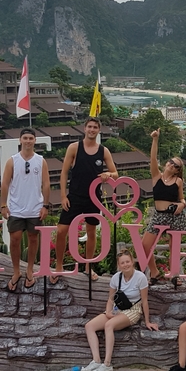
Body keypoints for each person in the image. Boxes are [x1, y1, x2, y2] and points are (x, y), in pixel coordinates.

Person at [55, 117, 118, 278]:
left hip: (93, 198)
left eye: (95, 127)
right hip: (74, 196)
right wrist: (63, 196)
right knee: (62, 231)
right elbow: (63, 173)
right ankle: (59, 266)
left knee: (91, 232)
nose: (92, 130)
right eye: (89, 126)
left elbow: (115, 174)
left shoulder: (103, 151)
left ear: (99, 130)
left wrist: (108, 174)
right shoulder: (74, 148)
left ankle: (88, 267)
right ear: (84, 128)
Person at [82, 250, 159, 371]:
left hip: (133, 309)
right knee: (89, 326)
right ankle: (96, 360)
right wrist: (108, 312)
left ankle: (107, 364)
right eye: (122, 263)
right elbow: (111, 299)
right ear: (119, 265)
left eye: (127, 261)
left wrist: (147, 321)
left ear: (132, 262)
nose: (125, 265)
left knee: (109, 325)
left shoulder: (140, 277)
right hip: (118, 309)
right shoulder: (116, 277)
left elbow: (145, 301)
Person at [0, 128, 50, 289]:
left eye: (31, 138)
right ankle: (16, 271)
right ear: (20, 140)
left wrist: (45, 205)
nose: (28, 141)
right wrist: (3, 204)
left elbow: (47, 184)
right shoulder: (12, 161)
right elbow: (5, 183)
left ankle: (29, 270)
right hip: (16, 209)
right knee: (14, 240)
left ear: (35, 140)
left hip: (35, 208)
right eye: (25, 138)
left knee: (33, 239)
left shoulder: (41, 160)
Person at [141, 129, 186, 284]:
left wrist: (182, 204)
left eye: (176, 166)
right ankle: (154, 272)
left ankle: (175, 275)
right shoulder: (156, 177)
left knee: (173, 248)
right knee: (145, 246)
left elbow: (182, 199)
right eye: (171, 162)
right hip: (159, 215)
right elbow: (153, 158)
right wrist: (155, 139)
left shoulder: (178, 181)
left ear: (178, 171)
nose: (172, 166)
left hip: (174, 216)